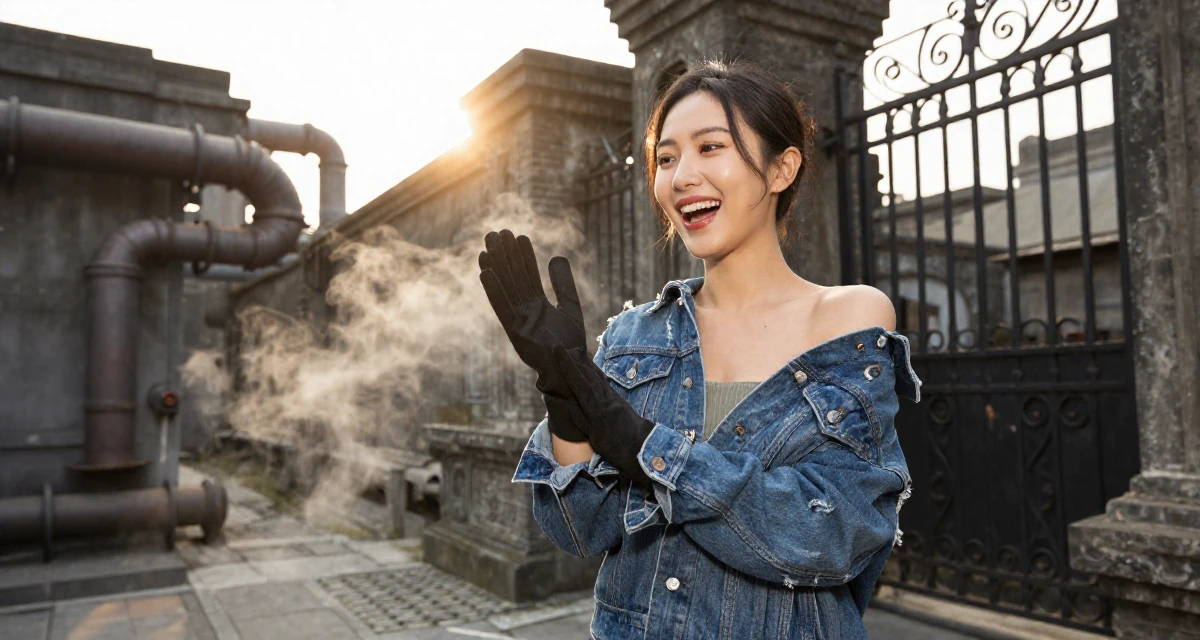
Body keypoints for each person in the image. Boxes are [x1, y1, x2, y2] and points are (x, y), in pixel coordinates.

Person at [478, 59, 921, 640]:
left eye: (711, 147)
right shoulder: (635, 336)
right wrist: (563, 392)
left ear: (783, 167)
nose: (681, 175)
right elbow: (580, 530)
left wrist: (647, 449)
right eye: (665, 158)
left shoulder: (849, 317)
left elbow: (834, 534)